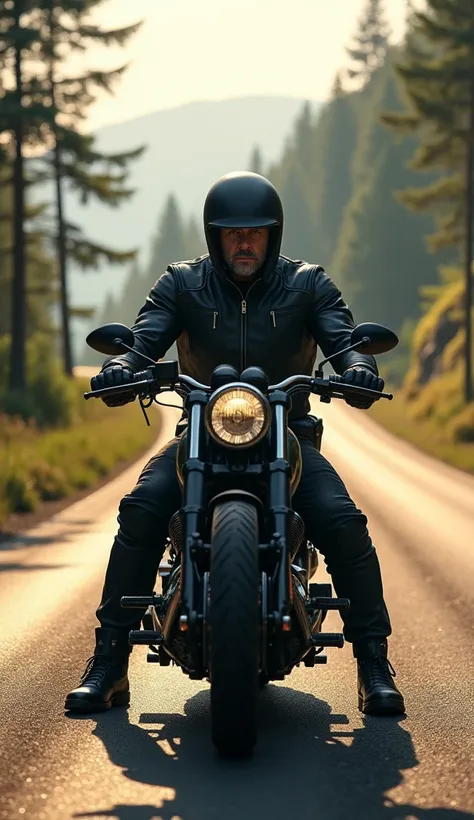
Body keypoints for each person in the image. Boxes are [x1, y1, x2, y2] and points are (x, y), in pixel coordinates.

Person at [65, 172, 405, 717]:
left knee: (341, 520)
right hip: (199, 433)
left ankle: (373, 662)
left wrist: (359, 367)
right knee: (143, 509)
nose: (243, 244)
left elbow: (344, 341)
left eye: (255, 233)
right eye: (231, 234)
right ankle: (108, 662)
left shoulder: (308, 285)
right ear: (212, 236)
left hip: (286, 437)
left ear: (273, 236)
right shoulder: (181, 284)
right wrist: (123, 366)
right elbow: (146, 337)